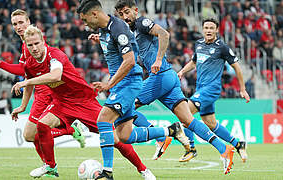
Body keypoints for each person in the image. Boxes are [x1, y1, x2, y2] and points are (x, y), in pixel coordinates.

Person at [11, 25, 155, 179]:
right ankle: (50, 166)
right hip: (61, 102)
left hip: (82, 101)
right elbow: (30, 82)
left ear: (43, 41)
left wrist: (26, 82)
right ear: (25, 45)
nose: (34, 48)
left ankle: (143, 170)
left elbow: (55, 76)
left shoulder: (55, 55)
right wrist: (23, 105)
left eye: (37, 43)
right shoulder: (30, 63)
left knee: (114, 139)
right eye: (30, 45)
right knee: (42, 125)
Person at [78, 1, 200, 179]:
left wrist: (109, 84)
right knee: (124, 135)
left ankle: (107, 173)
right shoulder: (105, 31)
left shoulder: (118, 27)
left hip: (128, 82)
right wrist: (101, 41)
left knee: (103, 119)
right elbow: (118, 50)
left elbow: (129, 61)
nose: (84, 24)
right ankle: (170, 131)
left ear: (94, 14)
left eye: (85, 19)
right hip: (122, 83)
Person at [115, 1, 237, 172]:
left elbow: (164, 34)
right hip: (169, 77)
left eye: (127, 12)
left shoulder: (142, 22)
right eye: (121, 14)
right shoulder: (132, 30)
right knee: (188, 121)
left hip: (160, 76)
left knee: (125, 105)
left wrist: (158, 59)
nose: (125, 17)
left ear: (135, 10)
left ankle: (159, 137)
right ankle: (224, 149)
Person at [0, 9, 86, 169]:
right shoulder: (26, 44)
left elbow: (24, 72)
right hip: (41, 91)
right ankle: (49, 164)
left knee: (32, 134)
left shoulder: (33, 42)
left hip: (47, 91)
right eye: (14, 24)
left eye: (21, 22)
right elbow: (27, 75)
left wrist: (2, 65)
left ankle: (66, 136)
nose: (18, 26)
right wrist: (23, 105)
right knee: (30, 135)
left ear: (28, 22)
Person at [178, 18, 250, 164]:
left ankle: (191, 148)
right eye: (206, 28)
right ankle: (238, 144)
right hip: (201, 89)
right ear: (203, 29)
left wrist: (242, 89)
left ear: (217, 30)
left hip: (211, 89)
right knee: (210, 123)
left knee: (185, 113)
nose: (209, 30)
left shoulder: (222, 47)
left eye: (212, 28)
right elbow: (193, 62)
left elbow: (237, 67)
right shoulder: (198, 44)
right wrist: (181, 72)